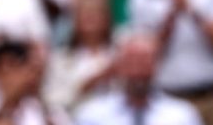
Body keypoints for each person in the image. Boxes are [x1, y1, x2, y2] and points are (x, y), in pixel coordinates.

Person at [74, 32, 203, 125]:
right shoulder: (93, 114)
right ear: (119, 66)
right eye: (131, 62)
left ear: (157, 66)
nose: (137, 71)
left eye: (144, 62)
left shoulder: (182, 115)